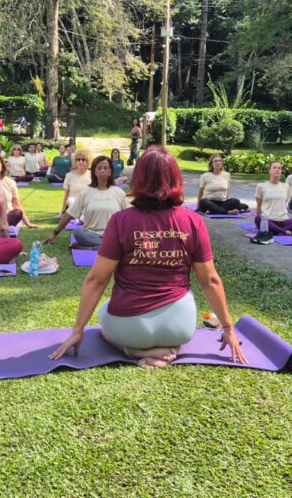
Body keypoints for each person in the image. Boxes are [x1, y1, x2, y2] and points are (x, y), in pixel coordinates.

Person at [47, 147, 247, 369]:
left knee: (105, 314)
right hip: (180, 327)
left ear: (139, 179)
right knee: (183, 301)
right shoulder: (193, 221)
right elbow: (209, 280)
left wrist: (78, 330)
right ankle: (171, 349)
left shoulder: (121, 221)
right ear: (175, 178)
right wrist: (228, 328)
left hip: (130, 328)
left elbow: (97, 280)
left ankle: (134, 350)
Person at [45, 155, 129, 249]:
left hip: (112, 235)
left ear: (110, 171)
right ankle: (107, 246)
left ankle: (90, 248)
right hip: (91, 235)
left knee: (126, 235)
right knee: (77, 232)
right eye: (99, 168)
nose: (102, 171)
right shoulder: (86, 192)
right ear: (94, 172)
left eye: (105, 168)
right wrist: (54, 233)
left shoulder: (119, 192)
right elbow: (69, 214)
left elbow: (131, 215)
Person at [252, 162, 292, 241]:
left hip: (284, 221)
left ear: (281, 171)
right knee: (258, 219)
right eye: (274, 168)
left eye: (279, 168)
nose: (277, 170)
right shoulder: (261, 186)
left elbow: (285, 203)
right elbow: (259, 206)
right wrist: (258, 225)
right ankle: (286, 232)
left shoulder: (286, 186)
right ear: (269, 171)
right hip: (268, 220)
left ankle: (275, 231)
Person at [0, 153, 38, 231]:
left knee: (17, 213)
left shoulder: (10, 182)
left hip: (6, 217)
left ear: (2, 165)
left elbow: (16, 204)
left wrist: (28, 223)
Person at [61, 150, 92, 215]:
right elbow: (66, 195)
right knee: (71, 200)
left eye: (83, 159)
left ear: (87, 162)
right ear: (75, 162)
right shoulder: (69, 175)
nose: (81, 161)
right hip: (73, 204)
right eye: (78, 159)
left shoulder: (92, 175)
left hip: (88, 205)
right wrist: (63, 210)